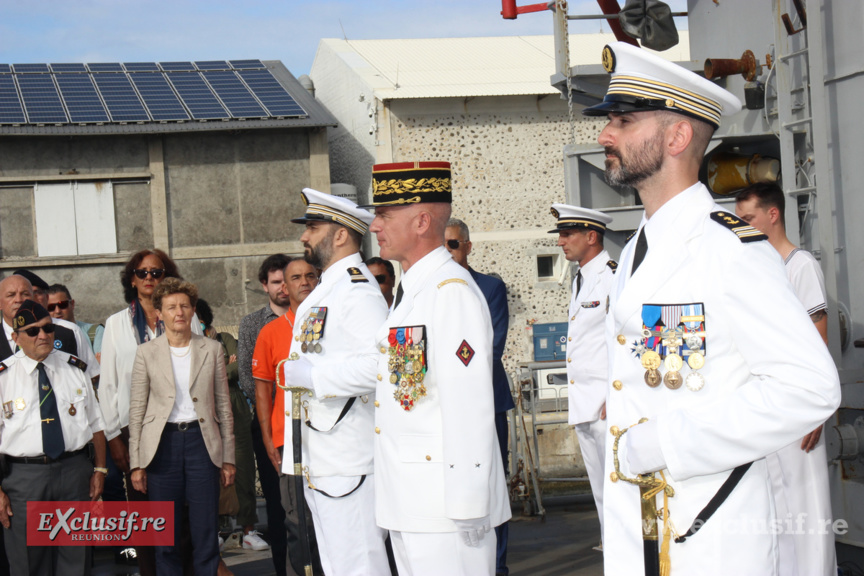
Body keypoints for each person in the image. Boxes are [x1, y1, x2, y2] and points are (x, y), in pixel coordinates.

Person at [583, 41, 840, 574]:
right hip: (645, 530)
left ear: (677, 136)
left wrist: (666, 441)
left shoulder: (729, 248)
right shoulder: (636, 249)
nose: (605, 135)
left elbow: (811, 388)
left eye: (624, 122)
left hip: (707, 535)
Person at [305, 162, 510, 574]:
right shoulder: (413, 291)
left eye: (384, 215)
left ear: (420, 221)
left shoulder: (450, 293)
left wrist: (470, 500)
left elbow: (467, 401)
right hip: (411, 498)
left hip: (445, 504)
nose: (375, 226)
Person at [280, 188, 390, 575]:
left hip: (348, 458)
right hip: (324, 456)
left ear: (340, 234)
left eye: (313, 227)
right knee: (338, 565)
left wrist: (315, 377)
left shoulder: (357, 291)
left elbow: (382, 366)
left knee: (358, 564)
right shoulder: (330, 288)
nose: (304, 237)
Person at [735, 182, 835, 575]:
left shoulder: (800, 265)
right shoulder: (758, 267)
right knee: (772, 506)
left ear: (772, 215)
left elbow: (819, 337)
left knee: (806, 510)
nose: (741, 226)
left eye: (748, 218)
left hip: (797, 406)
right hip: (763, 403)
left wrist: (816, 412)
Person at [99, 248, 202, 572]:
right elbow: (109, 386)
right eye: (142, 273)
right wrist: (115, 437)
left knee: (183, 515)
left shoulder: (187, 316)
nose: (149, 278)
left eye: (156, 272)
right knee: (146, 517)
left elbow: (200, 371)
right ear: (132, 279)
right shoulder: (116, 324)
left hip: (181, 427)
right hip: (138, 431)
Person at [129, 278, 235, 576]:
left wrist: (228, 458)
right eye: (171, 307)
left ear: (193, 311)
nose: (179, 312)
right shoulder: (146, 353)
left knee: (206, 532)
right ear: (159, 313)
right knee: (166, 536)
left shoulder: (212, 350)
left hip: (203, 446)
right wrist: (137, 464)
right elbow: (136, 411)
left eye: (184, 306)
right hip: (163, 448)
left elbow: (223, 407)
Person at [0, 300, 107, 576]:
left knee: (75, 560)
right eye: (33, 331)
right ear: (16, 337)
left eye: (47, 328)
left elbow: (96, 425)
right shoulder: (4, 377)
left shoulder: (75, 369)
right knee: (28, 563)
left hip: (74, 473)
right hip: (24, 479)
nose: (43, 336)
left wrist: (100, 470)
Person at [445, 217, 515, 576]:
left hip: (485, 402)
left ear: (468, 247)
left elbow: (491, 346)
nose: (447, 250)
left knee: (491, 483)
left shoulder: (489, 287)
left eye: (454, 244)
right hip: (443, 409)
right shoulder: (424, 288)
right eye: (443, 244)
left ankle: (497, 564)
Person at [548, 205, 614, 548]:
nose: (561, 242)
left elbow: (624, 338)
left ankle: (626, 552)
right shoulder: (581, 278)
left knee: (619, 487)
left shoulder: (613, 276)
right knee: (601, 490)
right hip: (585, 400)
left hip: (607, 402)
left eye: (567, 234)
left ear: (592, 236)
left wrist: (617, 395)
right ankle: (612, 549)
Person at [252, 257, 321, 573]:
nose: (304, 281)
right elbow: (262, 391)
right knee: (296, 521)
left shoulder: (331, 323)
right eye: (296, 277)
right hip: (288, 441)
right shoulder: (270, 332)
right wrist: (268, 438)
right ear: (285, 286)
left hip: (329, 437)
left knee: (330, 520)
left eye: (310, 275)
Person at [237, 253, 292, 576]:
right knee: (276, 502)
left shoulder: (311, 318)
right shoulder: (252, 324)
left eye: (288, 280)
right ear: (264, 285)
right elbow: (247, 375)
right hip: (268, 424)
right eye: (276, 282)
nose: (283, 288)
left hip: (307, 424)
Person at [1, 273, 100, 386]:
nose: (18, 300)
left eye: (25, 294)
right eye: (11, 295)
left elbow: (92, 376)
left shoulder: (69, 331)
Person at [46, 283, 105, 359]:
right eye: (51, 307)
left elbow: (102, 363)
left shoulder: (95, 331)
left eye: (62, 305)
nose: (57, 311)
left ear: (72, 304)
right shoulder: (43, 336)